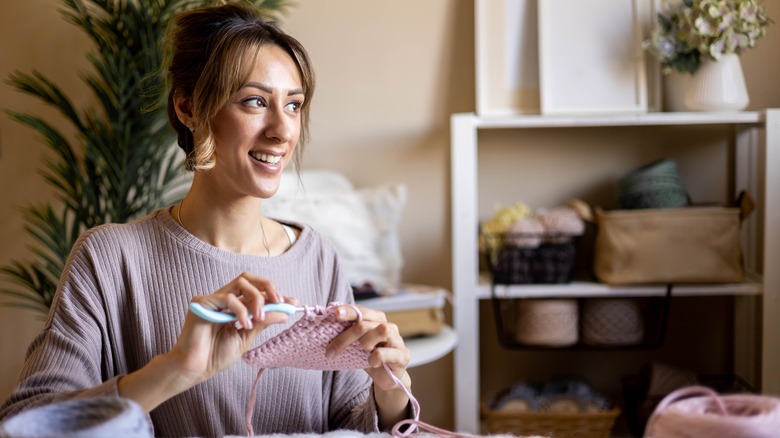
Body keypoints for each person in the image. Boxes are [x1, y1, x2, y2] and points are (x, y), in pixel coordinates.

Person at [0, 2, 412, 436]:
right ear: (188, 108)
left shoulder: (317, 258)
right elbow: (24, 425)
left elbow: (351, 422)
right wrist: (177, 369)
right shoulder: (109, 259)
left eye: (293, 105)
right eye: (255, 101)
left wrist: (390, 392)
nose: (283, 131)